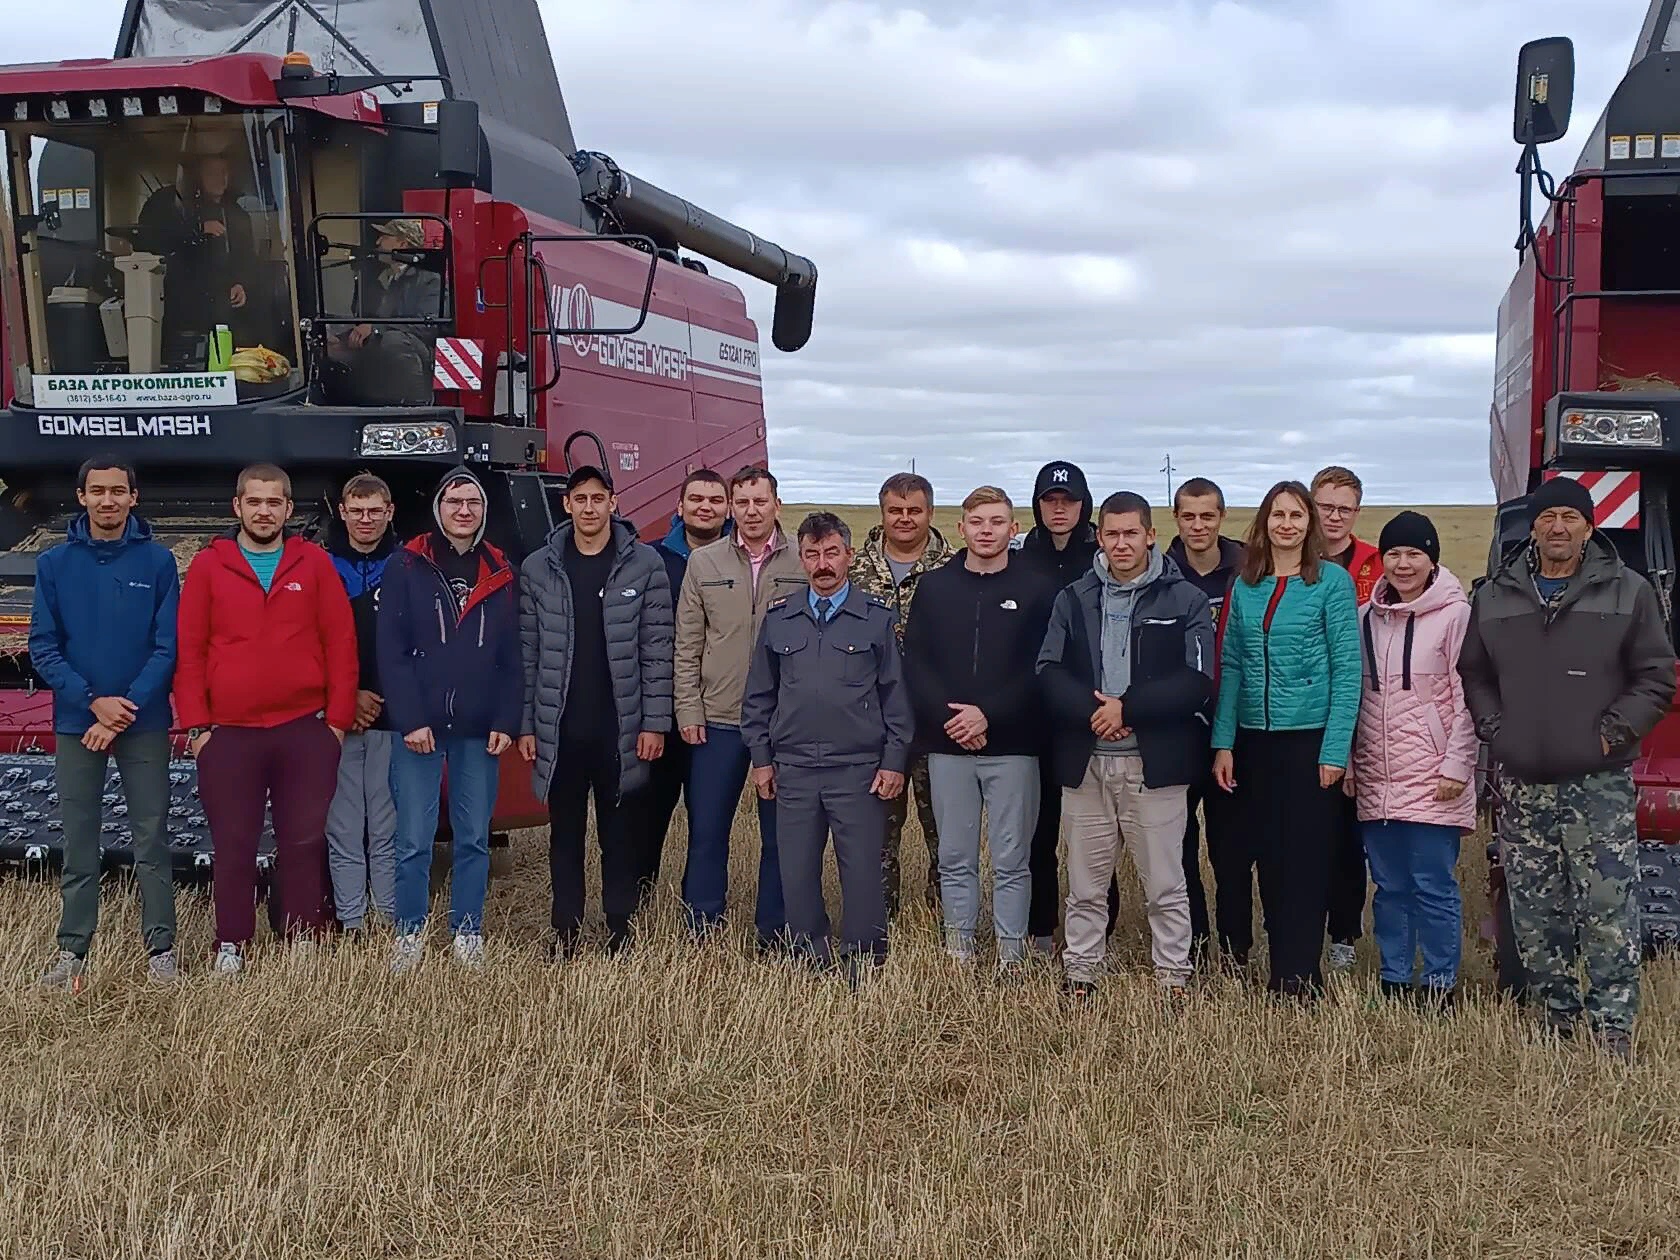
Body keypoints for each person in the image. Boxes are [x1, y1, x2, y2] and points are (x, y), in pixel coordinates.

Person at [1460, 477, 1676, 1059]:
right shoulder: (1498, 595)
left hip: (1596, 783)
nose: (1558, 527)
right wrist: (1495, 728)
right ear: (1532, 525)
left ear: (1589, 525)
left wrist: (1611, 733)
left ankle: (1611, 1027)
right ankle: (1557, 1018)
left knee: (1607, 905)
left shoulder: (1627, 591)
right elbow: (1474, 673)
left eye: (1570, 517)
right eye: (1548, 516)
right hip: (1524, 781)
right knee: (1534, 908)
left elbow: (1657, 675)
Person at [175, 464, 357, 974]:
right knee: (234, 842)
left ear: (288, 510)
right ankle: (231, 942)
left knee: (302, 838)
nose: (263, 511)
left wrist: (336, 723)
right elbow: (189, 652)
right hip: (229, 734)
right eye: (254, 501)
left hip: (304, 728)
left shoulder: (313, 564)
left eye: (273, 502)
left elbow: (340, 645)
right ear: (237, 507)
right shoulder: (210, 568)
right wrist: (198, 727)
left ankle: (302, 936)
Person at [1037, 492, 1215, 996]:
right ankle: (1081, 973)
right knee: (1087, 885)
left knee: (1165, 884)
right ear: (1100, 536)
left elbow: (1198, 679)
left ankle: (1173, 977)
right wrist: (1096, 713)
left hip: (1153, 766)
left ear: (1151, 535)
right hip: (1086, 763)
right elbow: (1047, 670)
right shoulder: (1073, 598)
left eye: (1131, 533)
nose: (1120, 543)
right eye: (1111, 534)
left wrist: (1129, 709)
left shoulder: (1185, 600)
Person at [31, 457, 179, 991]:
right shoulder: (53, 565)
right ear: (82, 496)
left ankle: (161, 949)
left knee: (151, 838)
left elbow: (167, 648)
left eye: (119, 491)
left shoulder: (160, 563)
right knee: (78, 841)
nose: (109, 501)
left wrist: (123, 709)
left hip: (143, 722)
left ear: (134, 498)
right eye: (99, 491)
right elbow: (42, 648)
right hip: (78, 723)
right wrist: (93, 703)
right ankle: (73, 952)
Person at [741, 512, 912, 973]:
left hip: (856, 768)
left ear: (848, 556)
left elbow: (895, 698)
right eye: (812, 554)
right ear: (802, 557)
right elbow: (758, 696)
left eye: (831, 552)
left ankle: (863, 958)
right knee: (795, 871)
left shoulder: (875, 619)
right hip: (793, 768)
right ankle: (808, 955)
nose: (822, 564)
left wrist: (894, 762)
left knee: (860, 872)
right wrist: (761, 760)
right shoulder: (780, 620)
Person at [1211, 480, 1360, 996]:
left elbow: (1347, 670)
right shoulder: (1244, 583)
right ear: (1265, 522)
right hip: (1254, 742)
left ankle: (1300, 974)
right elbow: (1231, 666)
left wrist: (1335, 749)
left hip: (1309, 740)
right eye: (1278, 515)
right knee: (1268, 857)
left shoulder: (1332, 584)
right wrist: (1224, 743)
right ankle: (1275, 967)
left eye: (1297, 515)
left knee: (1304, 859)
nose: (1287, 524)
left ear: (1310, 524)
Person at [520, 465, 673, 956]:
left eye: (598, 498)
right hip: (562, 728)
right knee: (565, 835)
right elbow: (529, 654)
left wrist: (654, 722)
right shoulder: (539, 567)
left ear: (614, 502)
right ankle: (564, 931)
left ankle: (619, 928)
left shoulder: (644, 565)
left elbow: (657, 649)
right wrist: (528, 725)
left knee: (619, 835)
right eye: (580, 498)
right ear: (566, 504)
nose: (589, 507)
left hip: (620, 728)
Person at [903, 487, 1055, 971]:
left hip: (1014, 746)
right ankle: (959, 950)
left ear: (1013, 529)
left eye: (996, 522)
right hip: (947, 745)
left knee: (1012, 858)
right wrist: (954, 721)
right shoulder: (934, 588)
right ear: (960, 527)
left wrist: (989, 714)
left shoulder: (1036, 588)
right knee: (955, 855)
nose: (986, 531)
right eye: (977, 521)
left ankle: (1012, 955)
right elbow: (917, 664)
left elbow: (1041, 667)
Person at [378, 468, 521, 972]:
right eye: (455, 501)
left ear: (484, 512)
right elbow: (391, 654)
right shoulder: (408, 564)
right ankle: (410, 934)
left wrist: (507, 716)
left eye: (474, 503)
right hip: (420, 729)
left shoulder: (501, 569)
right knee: (414, 838)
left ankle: (467, 933)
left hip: (479, 726)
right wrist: (410, 718)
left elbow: (511, 656)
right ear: (439, 509)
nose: (464, 510)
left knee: (474, 837)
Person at [674, 465, 805, 947]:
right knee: (708, 830)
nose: (752, 511)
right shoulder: (704, 564)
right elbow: (686, 644)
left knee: (781, 837)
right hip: (718, 721)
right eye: (742, 502)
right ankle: (702, 927)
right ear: (732, 507)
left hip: (782, 723)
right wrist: (688, 710)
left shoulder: (800, 561)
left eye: (760, 501)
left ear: (776, 504)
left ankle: (774, 930)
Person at [1351, 512, 1476, 1005]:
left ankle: (1441, 981)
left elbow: (1467, 699)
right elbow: (1355, 696)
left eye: (1414, 554)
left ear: (1432, 560)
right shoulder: (1366, 618)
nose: (1403, 565)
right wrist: (1353, 762)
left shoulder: (1455, 615)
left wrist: (1456, 766)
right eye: (1394, 554)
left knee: (1432, 885)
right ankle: (1396, 976)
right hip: (1378, 775)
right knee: (1388, 886)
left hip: (1433, 775)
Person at [847, 472, 952, 916]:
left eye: (914, 510)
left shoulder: (955, 569)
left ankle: (946, 920)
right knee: (876, 833)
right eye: (896, 510)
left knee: (944, 832)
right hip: (872, 725)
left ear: (930, 512)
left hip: (935, 722)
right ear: (883, 512)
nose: (905, 519)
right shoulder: (853, 569)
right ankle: (877, 918)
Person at [1015, 459, 1109, 956]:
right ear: (1037, 505)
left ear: (1083, 505)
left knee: (1092, 831)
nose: (1059, 509)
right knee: (1038, 829)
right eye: (1049, 500)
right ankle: (1041, 928)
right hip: (1032, 717)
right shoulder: (1020, 556)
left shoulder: (1101, 557)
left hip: (1086, 713)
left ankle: (1099, 932)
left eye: (1068, 501)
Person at [637, 470, 731, 908]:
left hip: (713, 714)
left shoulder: (740, 560)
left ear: (727, 508)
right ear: (679, 507)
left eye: (715, 499)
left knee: (707, 821)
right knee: (648, 815)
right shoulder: (650, 559)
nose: (705, 507)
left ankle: (701, 911)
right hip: (658, 709)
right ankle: (637, 903)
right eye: (696, 499)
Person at [1164, 476, 1245, 967]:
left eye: (1207, 515)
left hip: (1235, 727)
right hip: (1178, 728)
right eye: (1189, 516)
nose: (1198, 525)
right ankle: (1192, 943)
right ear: (1176, 519)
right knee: (1180, 846)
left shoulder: (1248, 570)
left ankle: (1235, 946)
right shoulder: (1161, 573)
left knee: (1232, 847)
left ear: (1222, 517)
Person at [1311, 465, 1381, 971]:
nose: (1333, 517)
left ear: (1356, 513)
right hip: (1304, 716)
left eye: (1344, 508)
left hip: (1365, 714)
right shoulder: (1287, 558)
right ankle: (1297, 926)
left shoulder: (1376, 566)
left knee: (1349, 835)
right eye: (1325, 506)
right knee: (1304, 831)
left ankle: (1343, 937)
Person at [323, 473, 399, 934]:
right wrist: (345, 698)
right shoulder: (320, 568)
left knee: (389, 824)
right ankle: (352, 919)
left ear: (389, 512)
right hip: (339, 716)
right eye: (357, 510)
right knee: (344, 825)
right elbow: (311, 644)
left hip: (393, 716)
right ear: (343, 513)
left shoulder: (409, 566)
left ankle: (388, 916)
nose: (366, 519)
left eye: (375, 510)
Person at [136, 152, 252, 345]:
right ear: (197, 176)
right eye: (212, 173)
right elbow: (149, 237)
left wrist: (241, 283)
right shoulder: (167, 203)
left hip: (223, 303)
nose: (220, 179)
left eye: (224, 172)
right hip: (176, 300)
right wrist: (197, 229)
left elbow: (246, 256)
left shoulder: (238, 215)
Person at [324, 219, 443, 406]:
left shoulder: (430, 280)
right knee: (331, 347)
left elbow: (426, 327)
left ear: (403, 244)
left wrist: (376, 329)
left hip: (420, 352)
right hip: (386, 341)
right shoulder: (387, 279)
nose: (378, 242)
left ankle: (417, 403)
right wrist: (342, 338)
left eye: (385, 237)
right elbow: (373, 321)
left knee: (393, 341)